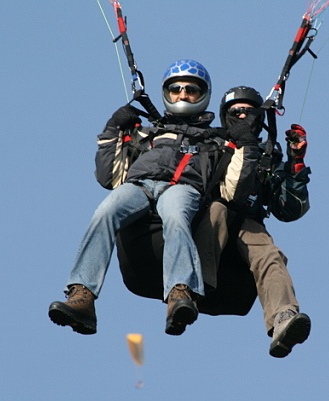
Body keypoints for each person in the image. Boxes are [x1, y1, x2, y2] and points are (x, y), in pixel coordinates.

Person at [48, 60, 259, 336]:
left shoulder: (217, 143)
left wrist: (246, 144)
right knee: (105, 212)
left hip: (183, 188)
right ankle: (82, 295)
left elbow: (233, 190)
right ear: (166, 93)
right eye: (176, 89)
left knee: (176, 216)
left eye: (191, 90)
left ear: (203, 95)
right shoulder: (149, 133)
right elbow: (109, 177)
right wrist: (113, 128)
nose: (183, 95)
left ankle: (180, 293)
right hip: (139, 185)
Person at [194, 86, 312, 358]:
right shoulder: (208, 144)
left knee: (270, 255)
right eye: (236, 112)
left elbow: (289, 210)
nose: (242, 116)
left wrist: (295, 164)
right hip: (210, 217)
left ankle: (283, 318)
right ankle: (190, 289)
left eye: (249, 112)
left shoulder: (267, 157)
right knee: (217, 211)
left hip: (247, 223)